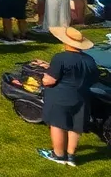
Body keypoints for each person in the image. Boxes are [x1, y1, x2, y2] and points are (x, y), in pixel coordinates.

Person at [37, 26, 100, 167]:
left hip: (60, 97)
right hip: (82, 98)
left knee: (57, 124)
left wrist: (45, 75)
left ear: (66, 42)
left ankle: (58, 155)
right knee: (75, 126)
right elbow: (94, 78)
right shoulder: (89, 60)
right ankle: (71, 156)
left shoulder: (60, 58)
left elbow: (49, 81)